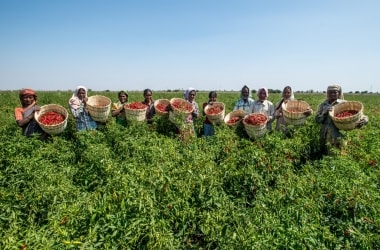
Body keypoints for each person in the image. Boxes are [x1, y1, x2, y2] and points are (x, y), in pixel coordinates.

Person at [315, 84, 368, 154]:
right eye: (330, 92)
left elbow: (359, 115)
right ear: (327, 93)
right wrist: (324, 114)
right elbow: (317, 120)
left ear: (339, 93)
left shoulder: (344, 104)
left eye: (335, 92)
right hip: (324, 135)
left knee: (338, 153)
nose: (332, 94)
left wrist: (365, 119)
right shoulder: (323, 105)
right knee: (324, 154)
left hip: (338, 135)